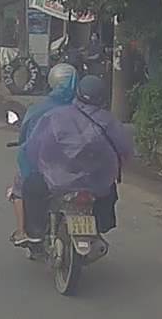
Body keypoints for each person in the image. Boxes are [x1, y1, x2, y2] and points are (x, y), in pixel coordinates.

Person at [23, 75, 134, 255]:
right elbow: (125, 152)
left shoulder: (56, 117)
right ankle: (100, 226)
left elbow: (34, 147)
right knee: (110, 192)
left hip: (58, 181)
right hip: (96, 184)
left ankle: (35, 232)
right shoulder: (111, 123)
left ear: (78, 93)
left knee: (31, 185)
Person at [8, 63, 78, 246]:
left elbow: (25, 136)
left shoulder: (38, 109)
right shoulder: (83, 108)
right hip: (77, 168)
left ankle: (22, 232)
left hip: (44, 169)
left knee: (19, 188)